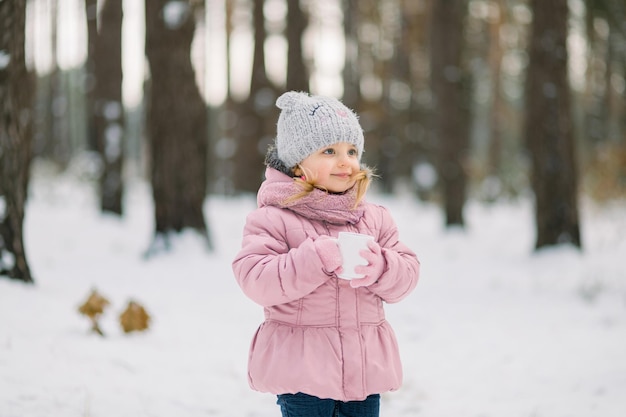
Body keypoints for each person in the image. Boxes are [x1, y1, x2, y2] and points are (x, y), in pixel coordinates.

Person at [232, 91, 420, 417]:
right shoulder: (274, 217)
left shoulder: (374, 218)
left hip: (363, 375)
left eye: (351, 150)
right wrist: (313, 259)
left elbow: (407, 274)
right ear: (298, 164)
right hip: (303, 374)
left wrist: (383, 267)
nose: (345, 161)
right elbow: (255, 279)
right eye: (329, 151)